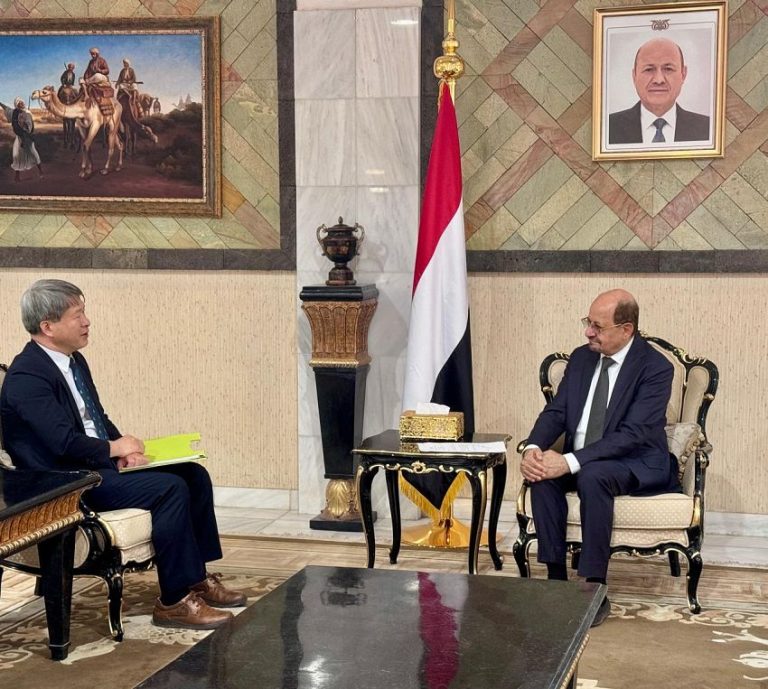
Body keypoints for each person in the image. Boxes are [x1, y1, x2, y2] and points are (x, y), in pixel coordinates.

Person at [0, 279, 247, 630]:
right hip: (66, 483)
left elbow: (96, 419)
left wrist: (119, 450)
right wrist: (114, 449)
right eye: (77, 315)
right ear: (48, 326)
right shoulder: (28, 376)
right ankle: (174, 602)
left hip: (94, 466)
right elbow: (62, 443)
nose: (86, 321)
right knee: (169, 489)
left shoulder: (73, 361)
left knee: (193, 475)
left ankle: (196, 579)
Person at [521, 289, 678, 627]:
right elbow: (557, 412)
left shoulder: (655, 368)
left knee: (594, 475)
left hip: (632, 461)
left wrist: (569, 461)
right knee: (541, 474)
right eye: (588, 322)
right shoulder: (581, 358)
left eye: (597, 326)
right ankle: (555, 579)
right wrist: (533, 448)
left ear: (626, 329)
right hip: (582, 456)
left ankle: (594, 586)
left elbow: (633, 434)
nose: (588, 332)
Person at [608, 37, 710, 145]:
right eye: (649, 69)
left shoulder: (707, 129)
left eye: (668, 69)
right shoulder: (608, 128)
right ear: (634, 76)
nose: (659, 80)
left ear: (683, 74)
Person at [0, 98, 43, 182]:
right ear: (17, 105)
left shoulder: (27, 113)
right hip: (19, 137)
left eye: (22, 102)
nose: (22, 104)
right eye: (19, 103)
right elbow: (6, 108)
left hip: (27, 138)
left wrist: (26, 128)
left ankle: (41, 171)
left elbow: (30, 127)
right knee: (16, 155)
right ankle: (17, 177)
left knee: (33, 153)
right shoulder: (14, 113)